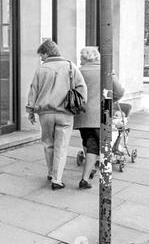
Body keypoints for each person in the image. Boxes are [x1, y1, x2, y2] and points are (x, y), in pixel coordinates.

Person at [27, 40, 87, 190]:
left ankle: (50, 172)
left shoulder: (41, 69)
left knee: (48, 144)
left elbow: (33, 90)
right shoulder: (70, 66)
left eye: (42, 55)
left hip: (45, 113)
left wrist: (30, 111)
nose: (41, 58)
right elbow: (82, 87)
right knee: (62, 146)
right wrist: (80, 103)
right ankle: (56, 179)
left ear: (48, 52)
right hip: (65, 113)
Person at [74, 47, 125, 189]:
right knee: (95, 145)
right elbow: (119, 92)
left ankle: (90, 170)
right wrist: (109, 99)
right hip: (101, 114)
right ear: (97, 57)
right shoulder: (106, 71)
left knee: (88, 141)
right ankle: (85, 178)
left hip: (82, 114)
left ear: (84, 58)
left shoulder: (78, 71)